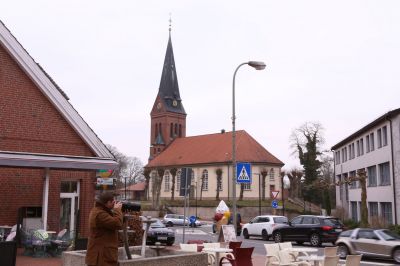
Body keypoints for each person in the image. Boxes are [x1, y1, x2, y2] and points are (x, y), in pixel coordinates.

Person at [85, 192, 123, 266]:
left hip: (101, 256)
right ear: (108, 202)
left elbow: (114, 222)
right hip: (101, 258)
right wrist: (117, 210)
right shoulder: (100, 214)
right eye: (113, 202)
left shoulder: (99, 211)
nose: (114, 204)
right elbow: (117, 223)